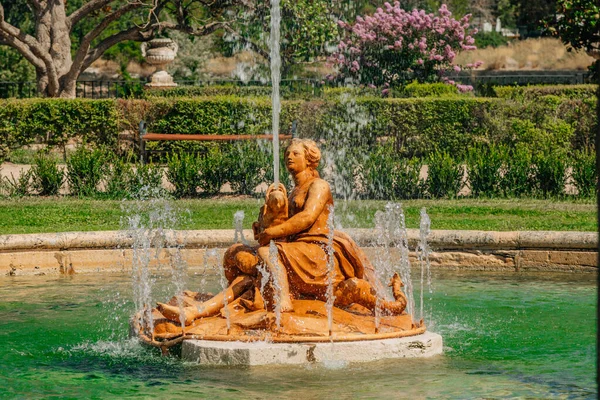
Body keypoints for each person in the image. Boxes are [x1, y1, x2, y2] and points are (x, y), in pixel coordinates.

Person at [157, 139, 406, 325]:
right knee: (242, 267)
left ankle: (283, 298)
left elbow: (307, 217)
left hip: (318, 252)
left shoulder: (319, 185)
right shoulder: (290, 191)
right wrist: (262, 225)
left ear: (309, 159)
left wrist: (272, 233)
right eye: (287, 153)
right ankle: (194, 313)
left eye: (295, 154)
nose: (289, 157)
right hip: (296, 251)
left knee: (267, 251)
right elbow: (283, 225)